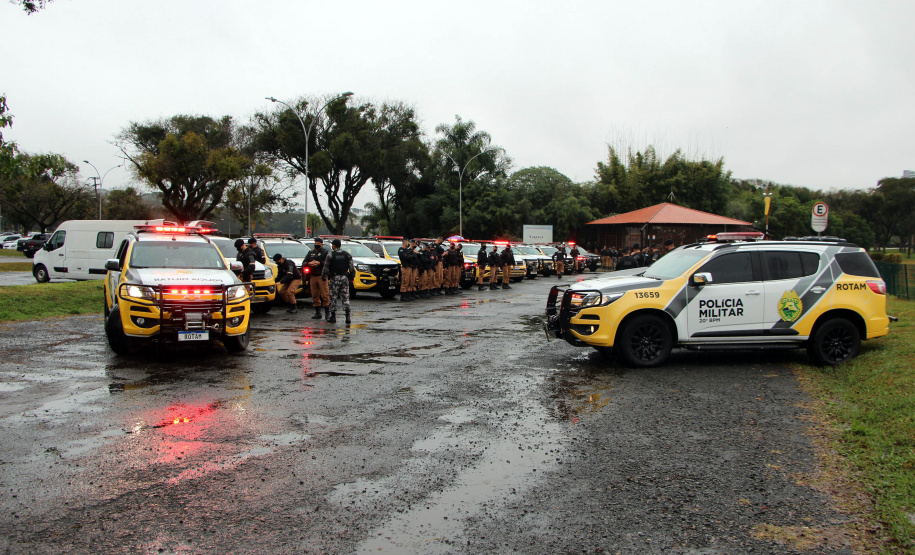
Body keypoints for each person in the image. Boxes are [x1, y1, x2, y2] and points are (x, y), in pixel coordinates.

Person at [322, 239, 355, 324]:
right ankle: (347, 317)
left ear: (334, 245)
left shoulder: (331, 255)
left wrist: (324, 277)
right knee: (345, 297)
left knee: (333, 297)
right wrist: (352, 276)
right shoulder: (347, 254)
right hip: (344, 278)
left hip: (334, 278)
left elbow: (326, 267)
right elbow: (351, 267)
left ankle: (333, 316)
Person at [304, 238, 330, 319]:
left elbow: (328, 262)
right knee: (315, 295)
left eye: (318, 243)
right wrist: (309, 263)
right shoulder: (311, 252)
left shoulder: (325, 252)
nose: (316, 244)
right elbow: (304, 262)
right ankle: (317, 313)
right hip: (312, 276)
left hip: (321, 276)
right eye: (315, 243)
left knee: (325, 295)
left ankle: (327, 313)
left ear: (321, 244)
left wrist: (319, 263)